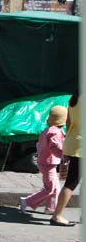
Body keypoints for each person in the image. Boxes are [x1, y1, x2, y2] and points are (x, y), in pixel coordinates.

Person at [20, 106, 67, 214]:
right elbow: (54, 147)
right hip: (48, 163)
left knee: (55, 187)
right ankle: (26, 201)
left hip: (47, 162)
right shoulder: (54, 132)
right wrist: (64, 154)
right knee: (50, 188)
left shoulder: (48, 130)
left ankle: (51, 208)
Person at [50, 92, 81, 226]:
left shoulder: (74, 99)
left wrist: (69, 140)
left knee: (73, 180)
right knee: (72, 182)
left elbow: (68, 122)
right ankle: (57, 216)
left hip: (73, 141)